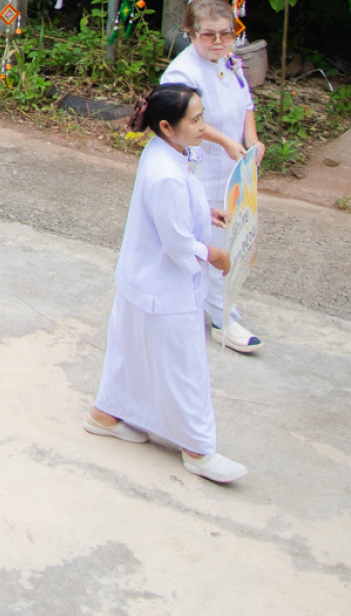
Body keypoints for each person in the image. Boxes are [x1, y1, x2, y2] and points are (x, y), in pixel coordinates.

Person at [87, 83, 250, 484]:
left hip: (141, 279)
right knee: (185, 368)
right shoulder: (165, 174)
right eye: (195, 120)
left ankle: (105, 415)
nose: (203, 127)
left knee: (129, 352)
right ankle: (198, 449)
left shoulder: (166, 151)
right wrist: (217, 255)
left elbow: (176, 213)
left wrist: (205, 213)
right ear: (166, 125)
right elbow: (178, 243)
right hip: (162, 286)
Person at [163, 0, 265, 353]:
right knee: (210, 247)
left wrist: (251, 141)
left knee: (234, 241)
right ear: (190, 34)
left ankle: (214, 308)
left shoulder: (230, 62)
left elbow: (245, 102)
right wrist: (224, 141)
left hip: (234, 173)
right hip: (199, 171)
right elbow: (185, 123)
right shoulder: (182, 73)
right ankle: (224, 319)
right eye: (209, 35)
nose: (219, 42)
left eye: (227, 34)